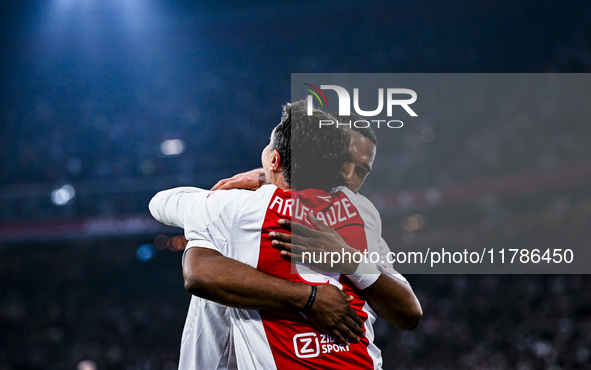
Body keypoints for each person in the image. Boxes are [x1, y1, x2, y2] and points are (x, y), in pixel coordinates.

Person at [150, 102, 421, 369]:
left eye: (360, 170)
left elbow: (162, 205)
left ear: (274, 158)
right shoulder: (362, 213)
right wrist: (311, 295)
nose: (348, 176)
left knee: (211, 239)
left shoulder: (236, 208)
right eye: (345, 161)